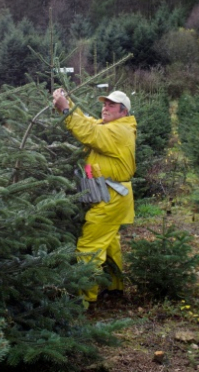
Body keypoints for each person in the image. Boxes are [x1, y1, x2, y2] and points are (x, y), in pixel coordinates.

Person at [52, 88, 137, 306]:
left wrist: (65, 111)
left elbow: (89, 133)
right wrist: (67, 102)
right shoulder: (111, 126)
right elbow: (89, 122)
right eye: (104, 103)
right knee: (109, 242)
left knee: (90, 244)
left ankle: (82, 301)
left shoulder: (119, 131)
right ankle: (115, 287)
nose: (105, 107)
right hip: (110, 193)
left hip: (112, 195)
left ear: (123, 111)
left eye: (111, 105)